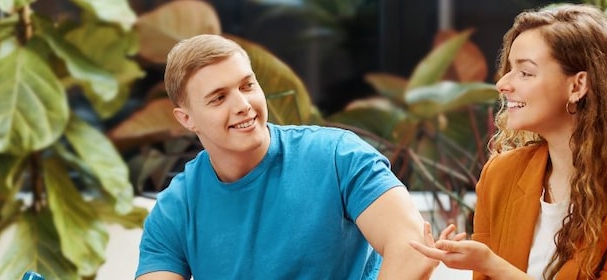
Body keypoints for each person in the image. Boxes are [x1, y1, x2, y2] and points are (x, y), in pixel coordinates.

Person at [409, 4, 607, 280]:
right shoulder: (500, 175)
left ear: (577, 86)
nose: (503, 84)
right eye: (509, 69)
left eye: (525, 72)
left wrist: (492, 265)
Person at [135, 34, 439, 280]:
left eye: (247, 85)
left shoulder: (338, 156)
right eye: (219, 98)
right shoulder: (175, 209)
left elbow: (412, 247)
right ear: (186, 119)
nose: (243, 105)